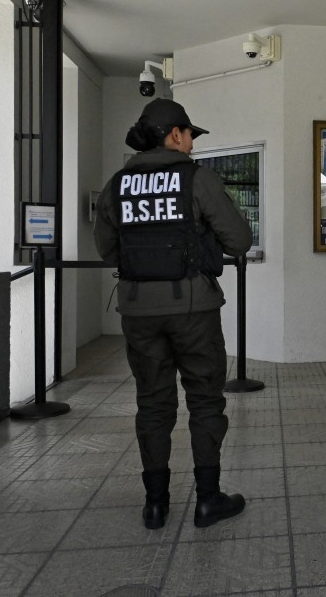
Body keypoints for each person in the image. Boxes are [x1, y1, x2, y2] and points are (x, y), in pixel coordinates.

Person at [94, 98, 253, 528]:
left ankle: (156, 504)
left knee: (152, 402)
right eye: (189, 136)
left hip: (138, 312)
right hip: (193, 308)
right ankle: (208, 500)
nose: (191, 146)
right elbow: (238, 240)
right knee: (204, 400)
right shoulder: (197, 179)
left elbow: (107, 248)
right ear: (176, 134)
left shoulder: (117, 183)